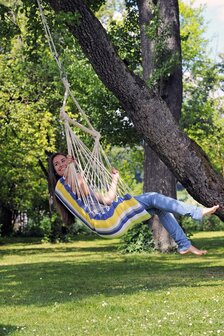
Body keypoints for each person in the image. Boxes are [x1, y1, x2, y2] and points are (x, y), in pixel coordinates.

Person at [48, 153, 219, 256]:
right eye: (57, 164)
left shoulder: (73, 181)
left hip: (108, 223)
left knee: (157, 207)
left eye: (63, 161)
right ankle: (197, 213)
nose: (61, 164)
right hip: (106, 221)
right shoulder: (62, 186)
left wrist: (114, 180)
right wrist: (73, 168)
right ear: (54, 171)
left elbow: (107, 199)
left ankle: (184, 245)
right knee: (153, 197)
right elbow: (82, 189)